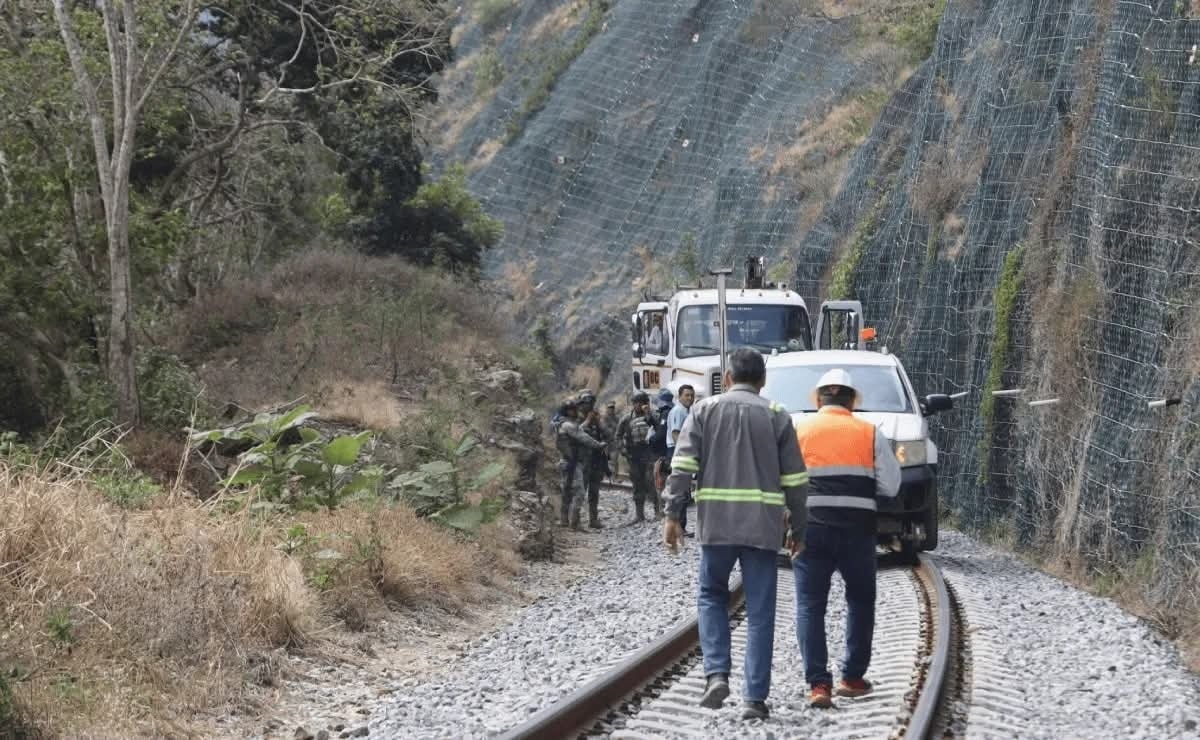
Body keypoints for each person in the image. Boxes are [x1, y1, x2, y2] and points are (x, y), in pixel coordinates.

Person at [664, 348, 809, 721]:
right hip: (762, 527)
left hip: (717, 525)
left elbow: (681, 467)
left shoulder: (704, 410)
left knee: (711, 597)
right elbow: (795, 481)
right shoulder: (776, 415)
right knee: (761, 612)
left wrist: (672, 515)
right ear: (762, 381)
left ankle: (716, 673)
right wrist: (799, 527)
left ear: (727, 378)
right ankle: (754, 699)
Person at [791, 368, 901, 709]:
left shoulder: (800, 431)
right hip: (857, 531)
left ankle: (818, 686)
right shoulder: (869, 433)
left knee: (810, 605)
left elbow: (784, 481)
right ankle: (852, 678)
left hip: (811, 530)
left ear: (818, 399)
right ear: (852, 400)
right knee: (860, 600)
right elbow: (891, 485)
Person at [554, 397, 607, 531]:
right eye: (573, 410)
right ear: (568, 411)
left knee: (567, 491)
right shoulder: (568, 425)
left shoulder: (561, 423)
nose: (576, 411)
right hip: (572, 462)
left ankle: (564, 520)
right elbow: (584, 437)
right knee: (579, 492)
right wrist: (599, 445)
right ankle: (574, 523)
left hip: (568, 462)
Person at [617, 391, 660, 522]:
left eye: (642, 403)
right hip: (634, 455)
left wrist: (649, 415)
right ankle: (639, 514)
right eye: (637, 403)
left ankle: (657, 511)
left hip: (649, 453)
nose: (639, 406)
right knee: (637, 483)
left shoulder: (653, 415)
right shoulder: (626, 419)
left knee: (651, 482)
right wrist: (623, 449)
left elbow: (659, 429)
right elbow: (618, 436)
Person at [577, 389, 611, 529]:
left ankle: (593, 519)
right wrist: (587, 421)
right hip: (582, 462)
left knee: (594, 492)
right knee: (579, 492)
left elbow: (609, 436)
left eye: (591, 403)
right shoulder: (576, 418)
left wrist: (598, 423)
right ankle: (575, 520)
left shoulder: (596, 419)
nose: (589, 406)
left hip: (596, 461)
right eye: (586, 403)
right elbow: (575, 433)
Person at [665, 384, 696, 535]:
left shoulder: (685, 410)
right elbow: (676, 433)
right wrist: (683, 453)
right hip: (677, 451)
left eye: (692, 395)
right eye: (687, 395)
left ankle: (679, 526)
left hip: (678, 451)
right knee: (680, 491)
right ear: (679, 396)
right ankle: (679, 527)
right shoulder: (679, 411)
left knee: (682, 492)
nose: (690, 398)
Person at [601, 401, 621, 477]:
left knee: (614, 460)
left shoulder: (617, 418)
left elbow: (619, 429)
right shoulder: (604, 418)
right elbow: (604, 430)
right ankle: (606, 476)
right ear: (607, 408)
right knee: (605, 461)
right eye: (610, 408)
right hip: (605, 443)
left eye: (612, 407)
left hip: (614, 442)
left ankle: (614, 476)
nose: (611, 409)